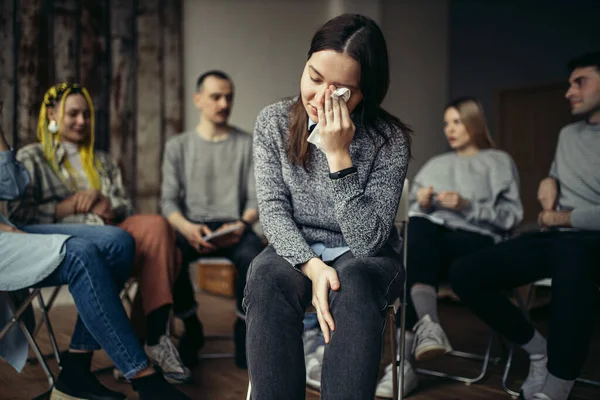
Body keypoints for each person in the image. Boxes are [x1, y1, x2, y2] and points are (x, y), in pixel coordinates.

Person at [245, 13, 411, 400]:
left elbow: (368, 242)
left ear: (365, 92)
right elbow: (272, 210)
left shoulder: (389, 140)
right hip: (298, 250)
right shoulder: (273, 122)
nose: (319, 99)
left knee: (353, 281)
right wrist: (311, 265)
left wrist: (339, 157)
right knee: (266, 276)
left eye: (340, 92)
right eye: (314, 78)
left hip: (364, 256)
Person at [8, 83, 191, 383]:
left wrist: (106, 204)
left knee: (158, 226)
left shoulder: (102, 159)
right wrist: (62, 209)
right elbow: (17, 217)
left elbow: (124, 204)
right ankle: (141, 342)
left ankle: (155, 338)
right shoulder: (32, 157)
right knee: (173, 253)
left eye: (86, 115)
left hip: (110, 229)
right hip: (64, 240)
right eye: (73, 114)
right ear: (52, 114)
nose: (82, 121)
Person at [450, 51, 600, 400]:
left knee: (573, 260)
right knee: (465, 273)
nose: (569, 92)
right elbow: (560, 180)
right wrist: (549, 181)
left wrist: (560, 217)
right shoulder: (568, 135)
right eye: (568, 83)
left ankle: (557, 386)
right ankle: (537, 348)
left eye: (580, 82)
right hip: (556, 237)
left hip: (588, 241)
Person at [375, 96, 524, 397]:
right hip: (432, 246)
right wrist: (423, 202)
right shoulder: (436, 165)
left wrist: (467, 206)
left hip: (477, 243)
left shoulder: (498, 161)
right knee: (416, 229)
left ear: (474, 122)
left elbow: (511, 218)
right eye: (446, 123)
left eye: (456, 121)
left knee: (412, 259)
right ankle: (427, 330)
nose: (450, 129)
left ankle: (404, 363)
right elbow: (412, 209)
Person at [161, 70, 264, 369]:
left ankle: (244, 327)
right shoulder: (177, 146)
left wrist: (242, 225)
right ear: (198, 99)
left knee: (256, 258)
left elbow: (255, 198)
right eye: (216, 96)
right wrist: (187, 228)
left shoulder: (247, 143)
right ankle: (191, 326)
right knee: (170, 254)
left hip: (234, 225)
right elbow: (167, 201)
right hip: (192, 225)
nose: (224, 103)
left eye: (229, 97)